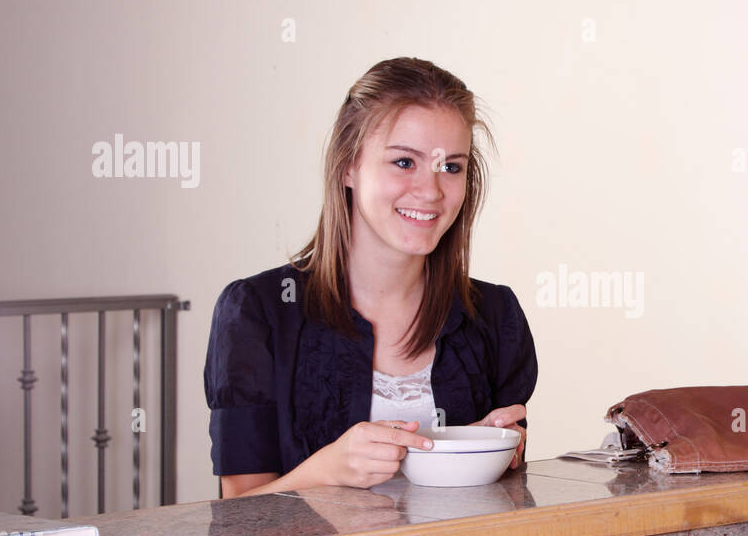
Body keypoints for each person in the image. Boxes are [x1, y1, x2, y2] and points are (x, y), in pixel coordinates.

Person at [204, 57, 537, 499]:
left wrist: (479, 454)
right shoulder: (257, 312)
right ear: (348, 166)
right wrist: (327, 469)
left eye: (451, 167)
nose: (432, 190)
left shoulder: (495, 317)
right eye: (404, 162)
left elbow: (505, 509)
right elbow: (238, 517)